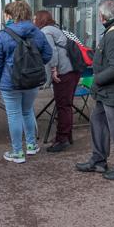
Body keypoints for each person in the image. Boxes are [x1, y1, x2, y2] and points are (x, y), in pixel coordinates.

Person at [75, 0, 114, 180]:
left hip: (113, 91)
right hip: (108, 92)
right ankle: (98, 160)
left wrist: (97, 80)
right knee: (98, 122)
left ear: (102, 16)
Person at [0, 0, 52, 163]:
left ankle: (17, 152)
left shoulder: (3, 35)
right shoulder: (37, 32)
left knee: (14, 115)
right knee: (27, 111)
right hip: (32, 80)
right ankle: (31, 145)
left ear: (11, 15)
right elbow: (48, 54)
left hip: (10, 82)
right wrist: (34, 65)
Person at [35, 10, 80, 153]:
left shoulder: (46, 31)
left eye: (35, 18)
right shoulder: (56, 29)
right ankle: (67, 136)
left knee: (63, 106)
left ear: (41, 20)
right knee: (66, 105)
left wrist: (53, 70)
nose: (34, 20)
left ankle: (62, 139)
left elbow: (51, 52)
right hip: (73, 70)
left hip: (63, 72)